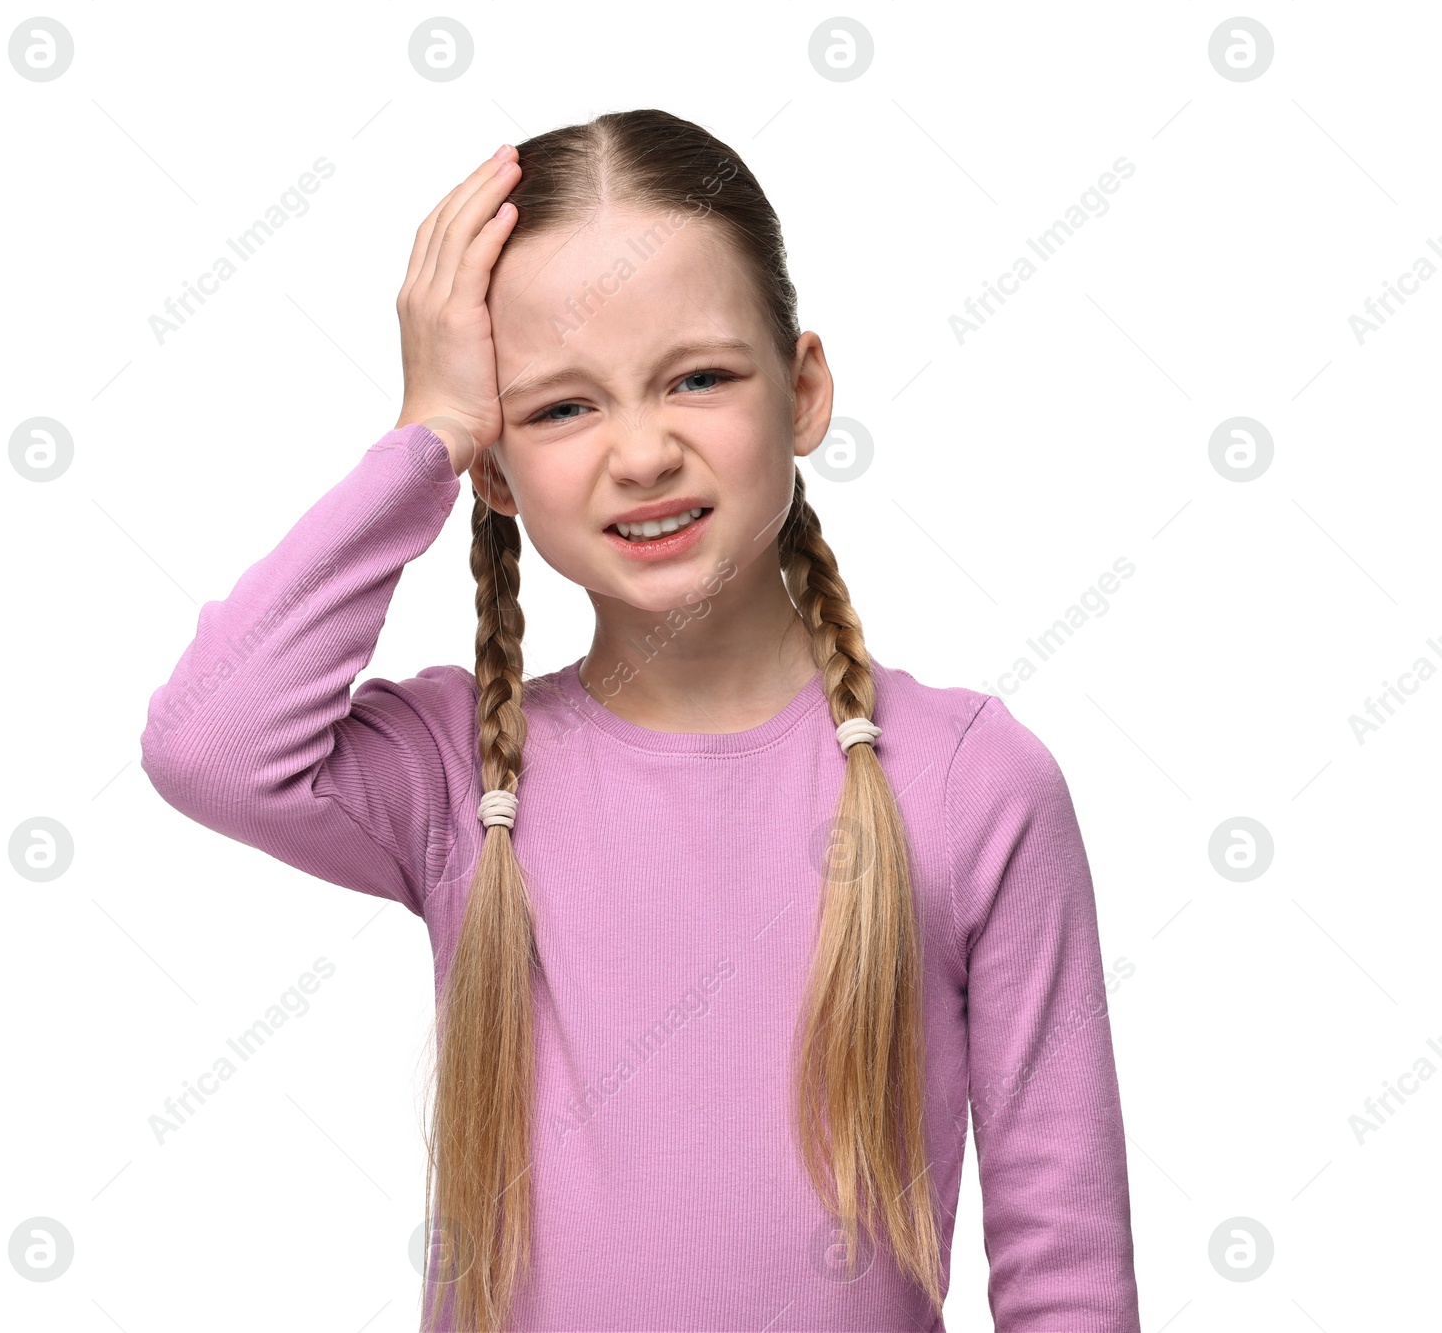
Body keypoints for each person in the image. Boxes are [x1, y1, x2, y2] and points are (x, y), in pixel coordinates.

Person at [140, 108, 1140, 1333]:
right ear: (498, 473)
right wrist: (425, 439)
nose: (643, 451)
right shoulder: (462, 780)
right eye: (561, 409)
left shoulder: (971, 782)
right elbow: (211, 746)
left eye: (699, 378)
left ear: (804, 388)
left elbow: (1066, 1275)